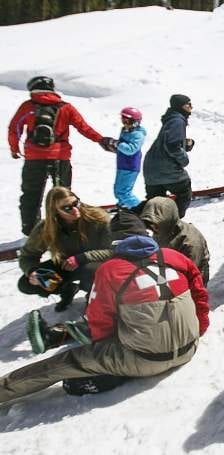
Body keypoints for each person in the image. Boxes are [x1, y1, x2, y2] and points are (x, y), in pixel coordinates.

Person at [2, 234, 209, 403]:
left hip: (146, 358)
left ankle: (5, 389)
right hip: (189, 348)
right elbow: (200, 296)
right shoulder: (175, 257)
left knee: (67, 362)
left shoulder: (111, 270)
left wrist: (102, 349)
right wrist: (198, 329)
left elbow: (99, 322)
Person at [8, 76, 112, 235]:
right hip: (60, 157)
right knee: (63, 196)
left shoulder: (28, 106)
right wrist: (101, 140)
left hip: (34, 158)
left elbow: (14, 128)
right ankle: (64, 228)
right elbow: (83, 127)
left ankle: (32, 232)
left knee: (31, 195)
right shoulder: (66, 107)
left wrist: (14, 149)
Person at [17, 187, 111, 312]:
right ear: (55, 211)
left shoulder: (98, 218)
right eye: (67, 208)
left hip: (96, 264)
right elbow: (28, 255)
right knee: (26, 283)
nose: (75, 209)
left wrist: (81, 258)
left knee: (91, 270)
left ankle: (94, 296)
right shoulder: (47, 228)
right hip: (66, 265)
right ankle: (66, 289)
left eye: (76, 203)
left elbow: (112, 251)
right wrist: (33, 271)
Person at [143, 94, 195, 218]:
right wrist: (184, 160)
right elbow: (172, 145)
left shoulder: (171, 119)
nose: (191, 107)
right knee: (184, 193)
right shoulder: (178, 120)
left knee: (155, 204)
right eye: (188, 104)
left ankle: (154, 225)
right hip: (166, 170)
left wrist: (184, 143)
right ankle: (172, 222)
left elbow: (168, 142)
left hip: (151, 169)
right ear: (181, 106)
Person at [140, 196, 210, 285]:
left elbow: (191, 270)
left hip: (191, 277)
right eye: (149, 224)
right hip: (167, 270)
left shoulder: (190, 241)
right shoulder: (162, 231)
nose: (152, 228)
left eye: (156, 224)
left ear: (168, 220)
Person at [105, 107, 146, 210]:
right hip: (122, 165)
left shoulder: (138, 135)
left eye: (127, 121)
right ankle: (124, 205)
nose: (124, 123)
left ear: (135, 122)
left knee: (123, 191)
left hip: (130, 166)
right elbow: (123, 147)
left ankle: (139, 209)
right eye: (123, 120)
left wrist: (117, 144)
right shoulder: (126, 130)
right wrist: (114, 147)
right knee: (118, 189)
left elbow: (131, 149)